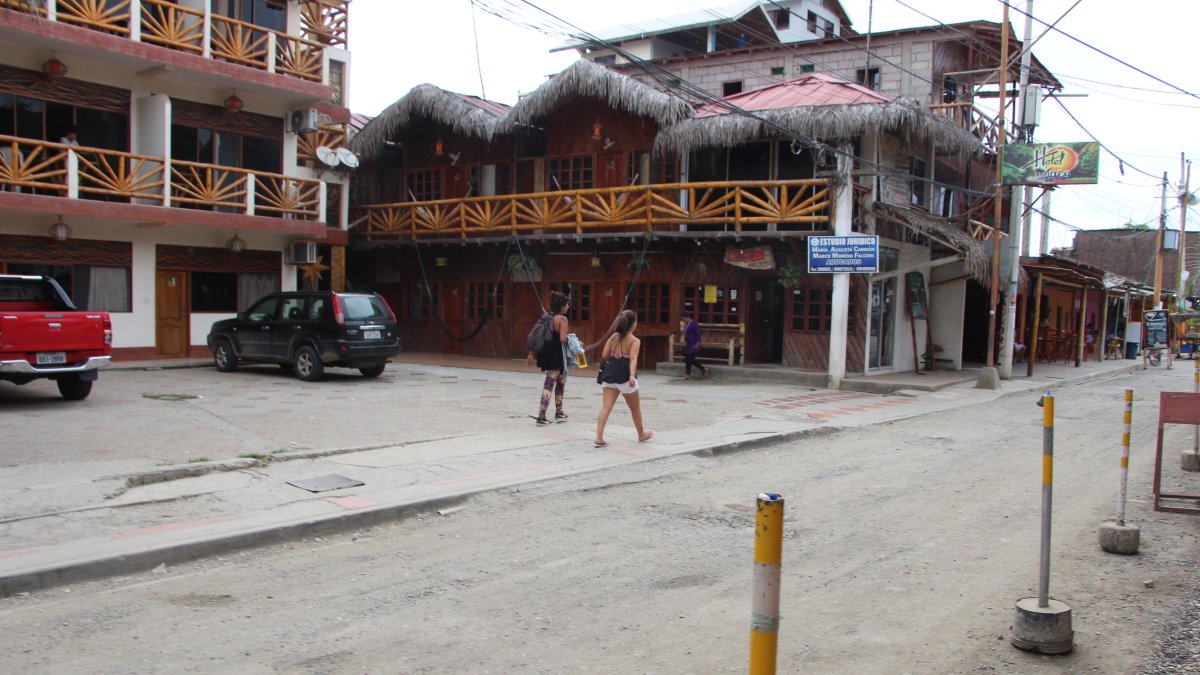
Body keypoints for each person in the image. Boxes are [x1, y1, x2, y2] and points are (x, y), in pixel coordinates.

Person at [594, 309, 653, 447]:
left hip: (610, 374)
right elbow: (633, 358)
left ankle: (599, 437)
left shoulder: (613, 337)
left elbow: (604, 355)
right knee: (635, 408)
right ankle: (641, 434)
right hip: (625, 375)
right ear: (633, 324)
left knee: (606, 408)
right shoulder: (634, 340)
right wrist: (632, 376)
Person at [526, 291, 570, 425]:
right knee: (550, 385)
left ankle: (559, 411)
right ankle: (541, 416)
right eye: (567, 304)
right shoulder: (562, 319)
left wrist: (531, 354)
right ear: (562, 306)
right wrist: (572, 341)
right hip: (557, 356)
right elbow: (563, 339)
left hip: (549, 354)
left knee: (560, 381)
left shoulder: (547, 317)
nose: (568, 306)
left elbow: (539, 334)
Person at [680, 310, 708, 380]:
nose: (684, 320)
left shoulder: (693, 323)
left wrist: (698, 343)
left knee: (690, 359)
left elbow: (698, 333)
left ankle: (703, 368)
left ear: (688, 317)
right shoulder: (686, 324)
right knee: (687, 359)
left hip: (694, 343)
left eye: (684, 318)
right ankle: (688, 375)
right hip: (688, 343)